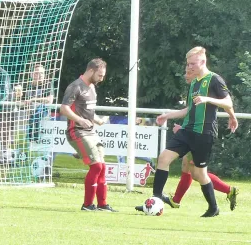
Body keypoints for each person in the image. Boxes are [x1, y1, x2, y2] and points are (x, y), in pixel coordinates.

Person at [135, 46, 238, 217]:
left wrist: (217, 106)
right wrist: (167, 115)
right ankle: (156, 198)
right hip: (187, 131)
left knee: (199, 174)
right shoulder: (194, 83)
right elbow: (188, 110)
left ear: (203, 62)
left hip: (204, 133)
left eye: (193, 64)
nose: (189, 67)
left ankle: (213, 208)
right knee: (163, 158)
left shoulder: (214, 80)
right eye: (188, 64)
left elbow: (228, 102)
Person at [60, 58, 116, 212]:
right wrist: (79, 120)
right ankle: (87, 205)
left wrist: (97, 120)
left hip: (91, 132)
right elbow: (64, 109)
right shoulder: (75, 86)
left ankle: (103, 205)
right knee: (96, 166)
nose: (101, 79)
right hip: (76, 131)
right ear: (91, 70)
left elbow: (87, 111)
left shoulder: (92, 87)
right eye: (100, 75)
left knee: (102, 167)